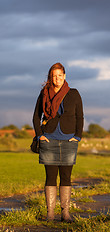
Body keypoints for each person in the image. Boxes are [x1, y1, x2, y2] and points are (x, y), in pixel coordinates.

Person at [32, 62, 84, 222]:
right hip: (49, 139)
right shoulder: (44, 93)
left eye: (60, 75)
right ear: (50, 77)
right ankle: (50, 214)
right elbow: (36, 116)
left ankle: (65, 214)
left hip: (69, 139)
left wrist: (77, 136)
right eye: (54, 76)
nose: (57, 78)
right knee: (50, 177)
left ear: (64, 76)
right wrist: (40, 135)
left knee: (66, 177)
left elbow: (80, 116)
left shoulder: (74, 93)